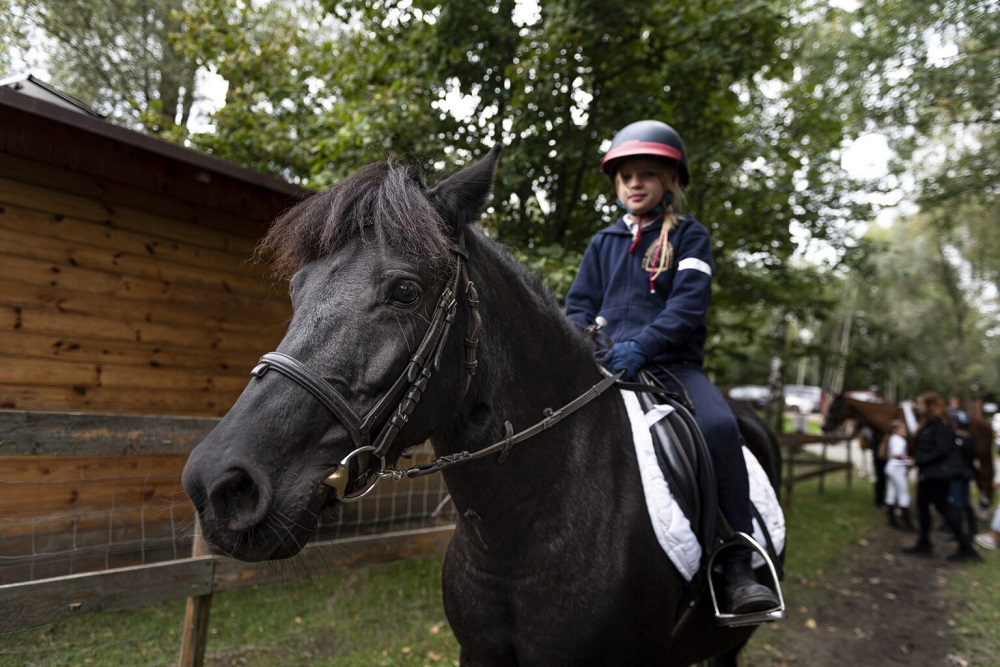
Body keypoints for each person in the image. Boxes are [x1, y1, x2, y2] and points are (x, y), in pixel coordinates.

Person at [564, 119, 778, 614]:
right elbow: (578, 306)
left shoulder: (691, 237)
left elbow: (686, 308)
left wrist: (643, 345)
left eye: (646, 174)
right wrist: (583, 342)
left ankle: (737, 560)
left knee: (721, 427)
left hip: (671, 366)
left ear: (670, 182)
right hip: (604, 366)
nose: (634, 184)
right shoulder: (602, 243)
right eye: (625, 177)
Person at [902, 391, 981, 561]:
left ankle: (966, 548)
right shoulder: (927, 423)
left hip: (938, 475)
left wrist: (919, 460)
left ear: (929, 406)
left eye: (920, 403)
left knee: (945, 509)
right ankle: (924, 543)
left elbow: (942, 450)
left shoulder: (941, 424)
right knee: (922, 507)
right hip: (928, 473)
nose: (918, 407)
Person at [883, 419, 914, 530]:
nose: (904, 430)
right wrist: (907, 459)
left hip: (891, 467)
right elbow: (896, 454)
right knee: (903, 493)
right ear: (895, 430)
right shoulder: (900, 441)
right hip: (897, 468)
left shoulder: (892, 439)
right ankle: (908, 523)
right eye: (902, 429)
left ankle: (891, 519)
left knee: (892, 492)